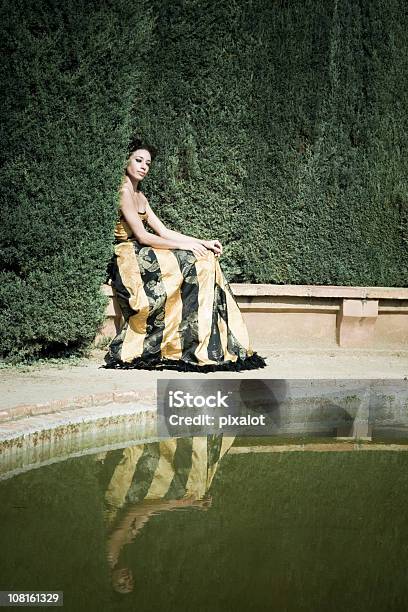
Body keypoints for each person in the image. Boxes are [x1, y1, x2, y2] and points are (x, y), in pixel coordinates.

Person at [104, 136, 266, 372]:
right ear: (126, 161)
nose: (143, 167)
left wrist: (203, 242)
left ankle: (202, 343)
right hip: (129, 256)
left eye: (147, 164)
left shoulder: (141, 196)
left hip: (144, 253)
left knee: (206, 259)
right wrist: (184, 248)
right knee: (194, 261)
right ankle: (187, 342)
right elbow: (143, 237)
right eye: (138, 160)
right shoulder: (124, 192)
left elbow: (163, 230)